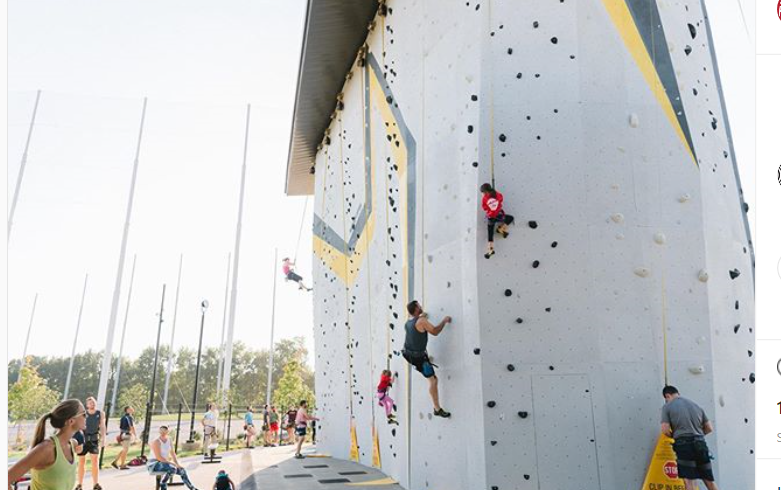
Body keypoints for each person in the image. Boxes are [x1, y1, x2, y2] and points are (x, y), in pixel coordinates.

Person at [8, 399, 85, 490]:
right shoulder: (47, 448)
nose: (86, 418)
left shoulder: (72, 445)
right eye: (84, 414)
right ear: (71, 421)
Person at [660, 386, 719, 490]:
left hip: (684, 446)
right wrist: (698, 435)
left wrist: (676, 436)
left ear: (667, 396)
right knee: (709, 480)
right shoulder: (696, 406)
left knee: (689, 482)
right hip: (701, 444)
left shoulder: (667, 406)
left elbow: (665, 429)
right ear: (678, 393)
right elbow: (709, 428)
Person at [403, 300, 452, 417]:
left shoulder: (408, 323)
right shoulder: (422, 321)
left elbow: (416, 329)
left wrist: (422, 316)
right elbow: (435, 331)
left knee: (427, 369)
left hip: (408, 354)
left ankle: (426, 361)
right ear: (416, 309)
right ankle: (437, 409)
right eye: (419, 306)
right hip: (418, 358)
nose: (421, 306)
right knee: (433, 381)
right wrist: (444, 321)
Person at [148, 426, 198, 490]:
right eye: (161, 431)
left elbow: (172, 453)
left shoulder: (169, 439)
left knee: (182, 470)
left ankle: (192, 488)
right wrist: (172, 463)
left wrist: (177, 464)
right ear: (159, 431)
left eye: (164, 431)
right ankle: (163, 484)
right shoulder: (156, 441)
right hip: (154, 463)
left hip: (165, 463)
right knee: (172, 468)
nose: (162, 433)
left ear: (167, 432)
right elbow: (159, 457)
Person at [75, 397, 106, 490]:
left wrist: (103, 438)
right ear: (87, 405)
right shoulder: (83, 414)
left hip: (94, 440)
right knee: (81, 462)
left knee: (95, 461)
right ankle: (79, 484)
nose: (92, 404)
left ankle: (96, 484)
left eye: (93, 402)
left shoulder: (100, 413)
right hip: (83, 440)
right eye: (90, 403)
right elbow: (78, 426)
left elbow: (103, 426)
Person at [480, 183, 514, 259]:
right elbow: (501, 199)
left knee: (490, 233)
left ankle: (491, 250)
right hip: (499, 216)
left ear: (485, 192)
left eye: (483, 192)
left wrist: (489, 209)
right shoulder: (497, 194)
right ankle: (501, 229)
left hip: (491, 217)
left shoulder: (485, 198)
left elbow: (484, 208)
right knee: (510, 218)